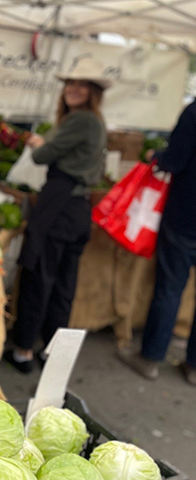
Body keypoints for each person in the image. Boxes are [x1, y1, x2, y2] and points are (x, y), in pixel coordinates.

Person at [4, 57, 110, 374]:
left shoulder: (81, 120)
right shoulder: (94, 121)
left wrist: (40, 143)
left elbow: (42, 155)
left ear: (93, 92)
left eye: (82, 85)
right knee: (63, 285)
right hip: (76, 209)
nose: (74, 89)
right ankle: (51, 352)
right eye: (71, 83)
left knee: (40, 278)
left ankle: (23, 350)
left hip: (59, 206)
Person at [118, 101, 196, 386]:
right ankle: (193, 366)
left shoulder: (194, 112)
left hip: (187, 217)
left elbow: (174, 160)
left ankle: (150, 358)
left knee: (170, 288)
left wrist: (156, 155)